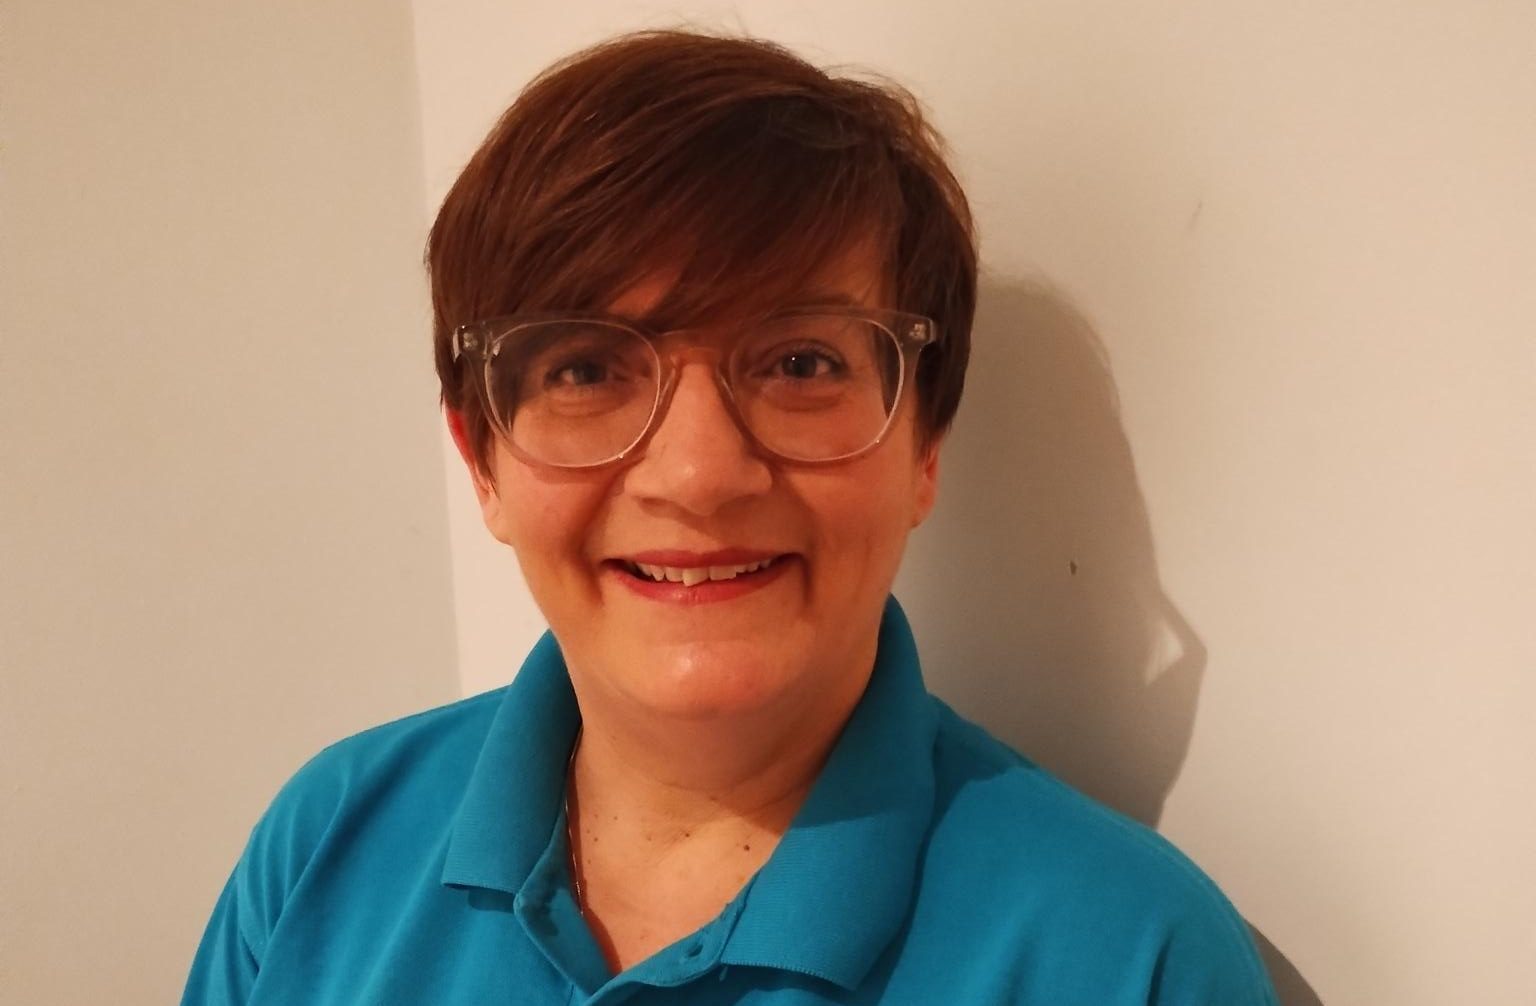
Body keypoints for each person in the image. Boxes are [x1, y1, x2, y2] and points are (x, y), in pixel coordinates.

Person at [182, 29, 1278, 1005]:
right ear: (483, 458)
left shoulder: (1134, 959)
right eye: (587, 368)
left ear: (924, 448)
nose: (699, 473)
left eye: (801, 362)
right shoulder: (326, 844)